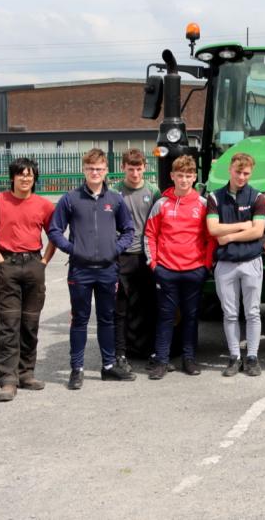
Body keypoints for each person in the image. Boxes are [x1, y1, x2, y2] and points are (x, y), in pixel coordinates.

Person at [48, 148, 137, 389]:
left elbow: (129, 230)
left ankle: (108, 366)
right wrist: (72, 249)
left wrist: (115, 249)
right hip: (80, 270)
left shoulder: (115, 199)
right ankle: (76, 369)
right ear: (83, 170)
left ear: (107, 171)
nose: (95, 172)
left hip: (108, 269)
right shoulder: (71, 198)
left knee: (107, 319)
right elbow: (54, 230)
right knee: (80, 320)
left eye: (99, 169)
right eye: (90, 168)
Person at [0, 158, 56, 402]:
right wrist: (0, 262)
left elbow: (54, 237)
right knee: (8, 325)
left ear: (34, 178)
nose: (25, 179)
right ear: (13, 177)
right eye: (21, 175)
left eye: (29, 175)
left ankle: (26, 373)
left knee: (30, 324)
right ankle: (8, 380)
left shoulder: (45, 205)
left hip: (33, 266)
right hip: (8, 265)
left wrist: (43, 263)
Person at [144, 155, 211, 380]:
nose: (184, 180)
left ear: (194, 177)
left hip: (194, 270)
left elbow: (210, 237)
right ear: (172, 176)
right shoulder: (161, 203)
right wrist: (154, 264)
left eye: (188, 176)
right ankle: (161, 361)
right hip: (167, 271)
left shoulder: (202, 204)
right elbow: (150, 234)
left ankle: (189, 359)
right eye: (180, 175)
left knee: (191, 317)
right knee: (165, 317)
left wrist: (206, 265)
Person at [207, 152, 265, 377]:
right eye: (238, 172)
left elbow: (258, 231)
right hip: (226, 264)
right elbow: (213, 230)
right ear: (230, 170)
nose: (241, 177)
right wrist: (244, 227)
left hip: (251, 261)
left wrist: (229, 235)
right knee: (230, 313)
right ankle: (234, 357)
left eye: (246, 173)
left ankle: (252, 357)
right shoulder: (215, 197)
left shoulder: (257, 197)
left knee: (253, 312)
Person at [116, 148, 157, 374]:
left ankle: (152, 351)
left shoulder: (153, 190)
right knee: (121, 307)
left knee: (151, 305)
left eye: (138, 168)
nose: (134, 173)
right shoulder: (115, 192)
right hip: (123, 256)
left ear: (145, 168)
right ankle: (121, 354)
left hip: (147, 256)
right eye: (130, 169)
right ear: (123, 168)